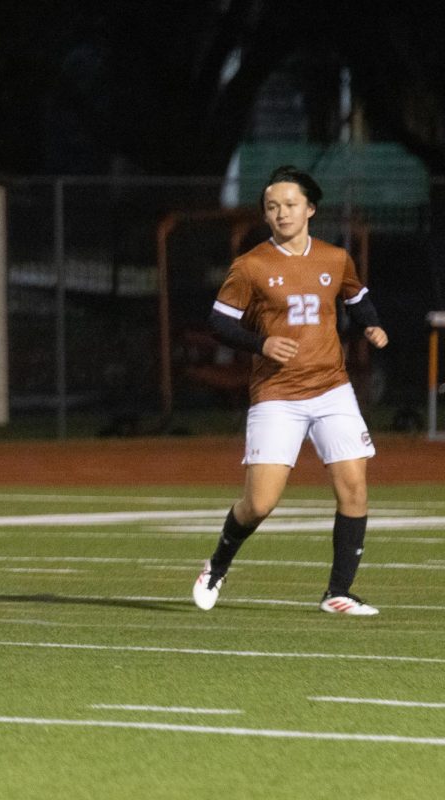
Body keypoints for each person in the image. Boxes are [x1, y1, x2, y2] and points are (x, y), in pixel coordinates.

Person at [192, 165, 389, 616]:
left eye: (290, 204)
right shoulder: (251, 266)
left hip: (332, 388)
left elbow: (356, 297)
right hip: (277, 394)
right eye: (272, 206)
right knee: (259, 503)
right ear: (265, 214)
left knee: (354, 489)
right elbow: (219, 321)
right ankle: (217, 565)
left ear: (310, 209)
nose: (281, 212)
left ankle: (338, 592)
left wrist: (371, 325)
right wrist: (260, 343)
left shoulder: (335, 258)